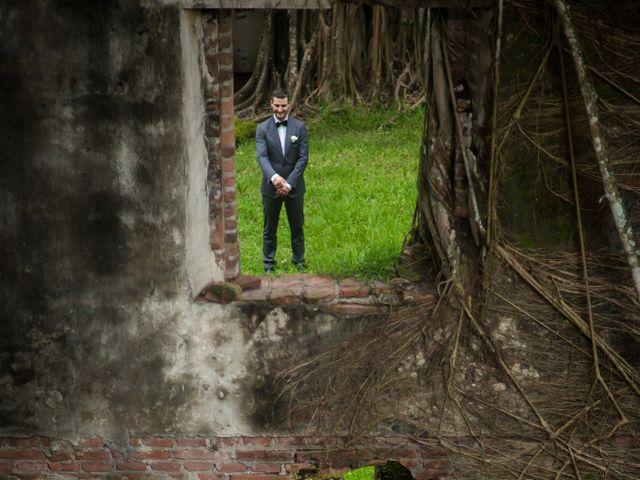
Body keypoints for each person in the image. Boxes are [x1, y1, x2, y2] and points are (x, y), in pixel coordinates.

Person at [255, 88, 309, 273]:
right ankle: (268, 263)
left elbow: (303, 159)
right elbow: (262, 157)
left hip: (294, 186)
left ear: (289, 104)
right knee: (270, 228)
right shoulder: (262, 128)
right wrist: (275, 178)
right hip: (271, 187)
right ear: (271, 104)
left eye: (283, 105)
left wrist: (289, 183)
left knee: (297, 226)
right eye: (277, 105)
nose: (280, 109)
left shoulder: (299, 127)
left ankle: (299, 260)